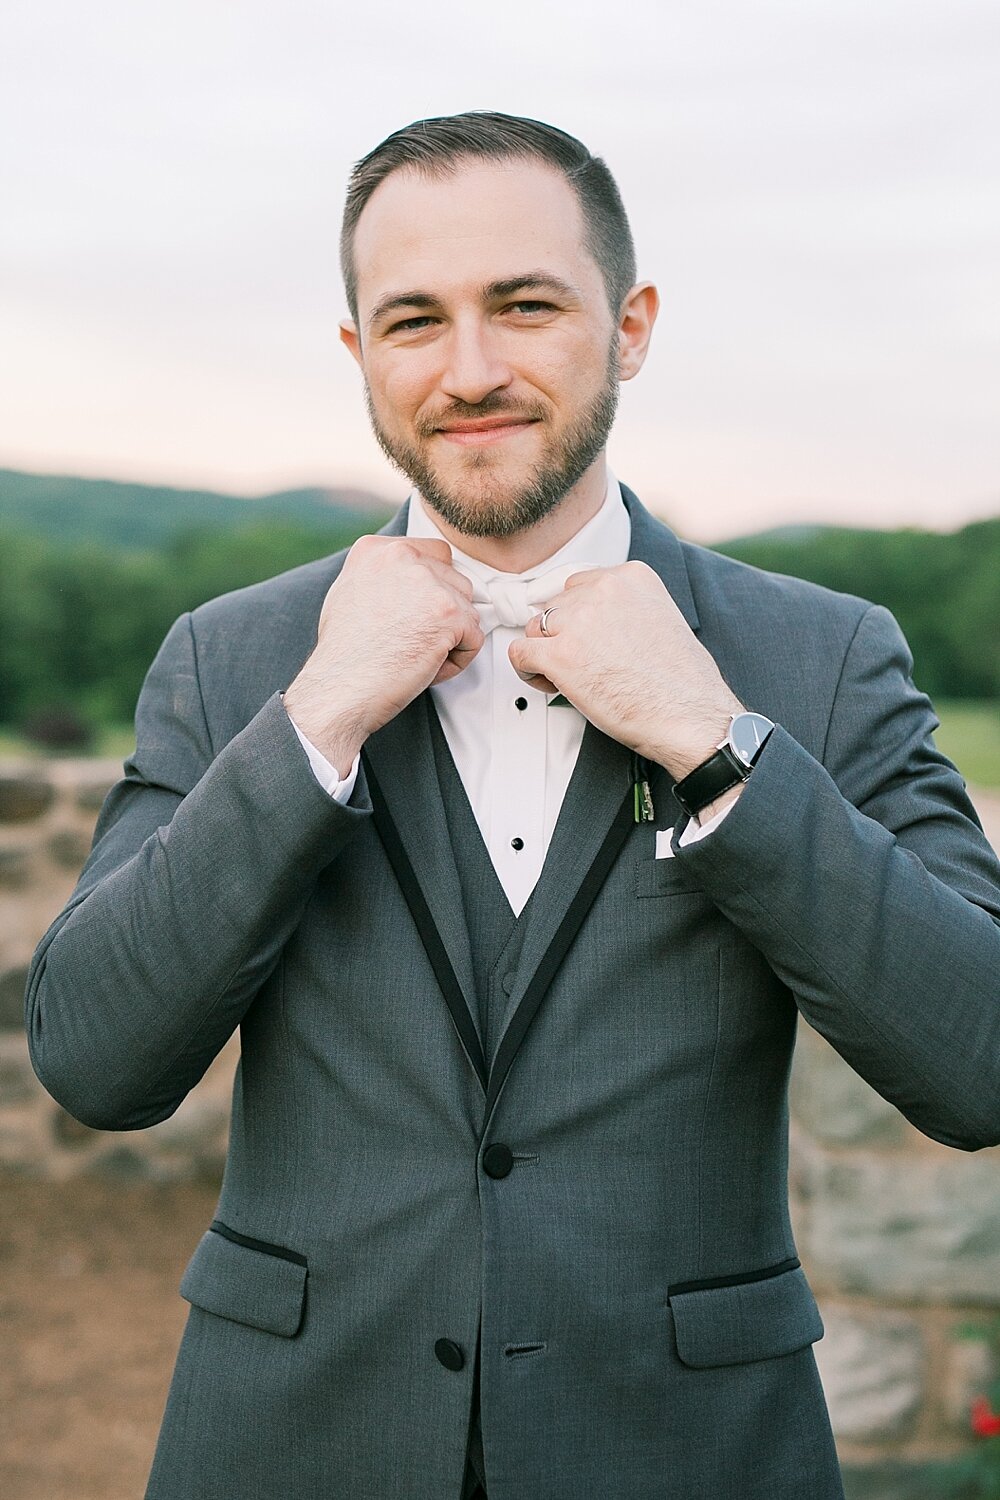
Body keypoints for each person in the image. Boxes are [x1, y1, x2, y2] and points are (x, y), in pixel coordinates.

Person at [25, 112, 1000, 1500]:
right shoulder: (232, 658)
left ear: (632, 325)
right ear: (362, 355)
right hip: (294, 1447)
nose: (470, 370)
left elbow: (982, 1062)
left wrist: (713, 745)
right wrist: (318, 720)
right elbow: (95, 1060)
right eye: (415, 320)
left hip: (685, 1458)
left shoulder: (821, 659)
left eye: (526, 305)